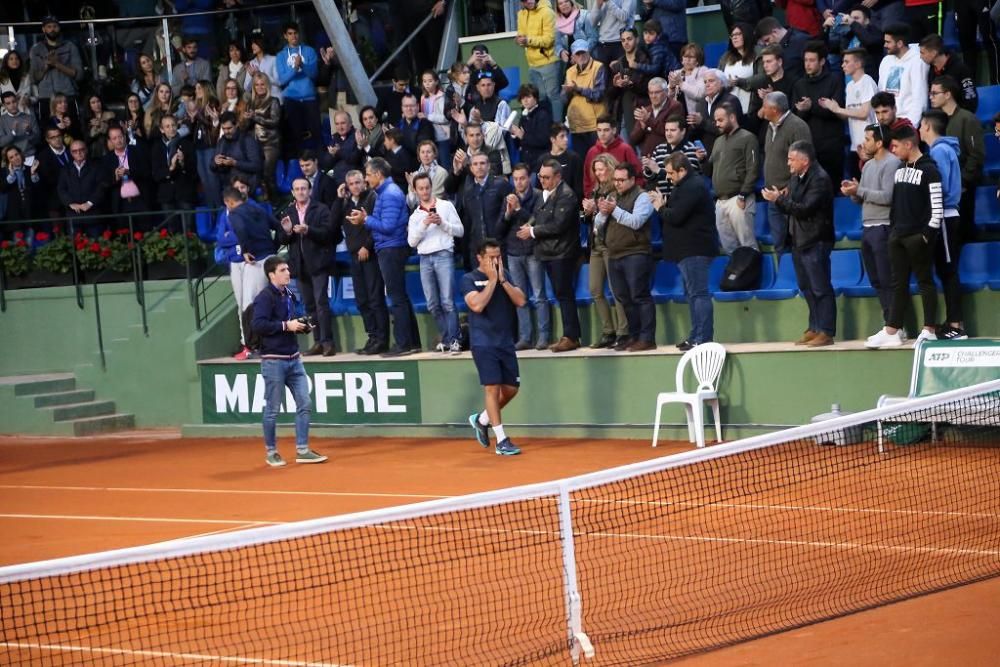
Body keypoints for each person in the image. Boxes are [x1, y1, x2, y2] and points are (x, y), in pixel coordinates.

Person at [864, 124, 942, 349]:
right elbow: (896, 204)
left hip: (919, 237)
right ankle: (892, 329)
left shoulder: (930, 170)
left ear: (909, 144)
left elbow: (936, 206)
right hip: (897, 235)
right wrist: (894, 232)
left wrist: (927, 235)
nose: (894, 150)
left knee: (925, 281)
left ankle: (929, 329)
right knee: (898, 284)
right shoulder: (899, 169)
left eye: (896, 146)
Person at [251, 255, 328, 468]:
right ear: (271, 274)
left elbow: (294, 320)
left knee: (305, 403)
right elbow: (259, 325)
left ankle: (302, 450)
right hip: (274, 360)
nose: (288, 273)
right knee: (272, 409)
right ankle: (271, 452)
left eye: (287, 269)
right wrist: (287, 326)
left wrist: (303, 326)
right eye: (283, 270)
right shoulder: (264, 298)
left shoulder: (289, 294)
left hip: (294, 359)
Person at [761, 140, 836, 347]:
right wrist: (781, 197)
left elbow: (805, 209)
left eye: (791, 159)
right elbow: (792, 203)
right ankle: (814, 327)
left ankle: (827, 331)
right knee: (807, 287)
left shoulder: (819, 179)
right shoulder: (796, 178)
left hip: (816, 240)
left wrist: (779, 200)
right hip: (799, 240)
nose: (788, 164)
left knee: (820, 287)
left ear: (805, 160)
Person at [462, 238, 528, 456]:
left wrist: (502, 281)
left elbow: (521, 301)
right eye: (491, 257)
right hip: (483, 343)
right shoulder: (468, 279)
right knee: (492, 389)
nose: (496, 260)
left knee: (511, 389)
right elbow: (477, 305)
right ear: (480, 258)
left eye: (498, 256)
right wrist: (491, 282)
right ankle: (501, 440)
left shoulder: (505, 275)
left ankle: (482, 420)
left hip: (505, 342)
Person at [348, 157, 417, 356]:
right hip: (388, 248)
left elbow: (387, 227)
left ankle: (403, 345)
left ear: (378, 174)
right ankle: (412, 342)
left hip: (392, 248)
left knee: (397, 298)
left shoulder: (390, 194)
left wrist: (365, 219)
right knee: (400, 297)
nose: (366, 179)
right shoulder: (384, 192)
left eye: (368, 175)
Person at [651, 152, 718, 351]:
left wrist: (660, 207)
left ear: (683, 170)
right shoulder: (684, 185)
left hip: (695, 248)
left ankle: (703, 337)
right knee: (692, 294)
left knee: (698, 294)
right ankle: (695, 335)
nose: (668, 177)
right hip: (687, 249)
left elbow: (676, 216)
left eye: (671, 173)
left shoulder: (694, 186)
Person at [516, 159, 581, 352]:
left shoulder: (567, 196)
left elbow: (558, 225)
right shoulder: (546, 193)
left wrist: (533, 232)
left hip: (562, 252)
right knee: (561, 294)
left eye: (547, 177)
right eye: (540, 177)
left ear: (558, 176)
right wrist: (530, 224)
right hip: (549, 252)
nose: (542, 180)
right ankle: (569, 334)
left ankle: (571, 336)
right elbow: (538, 214)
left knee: (565, 294)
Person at [840, 123, 900, 325]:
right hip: (867, 228)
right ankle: (889, 323)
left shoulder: (892, 163)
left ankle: (895, 326)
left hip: (884, 227)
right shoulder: (868, 165)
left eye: (867, 139)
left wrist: (860, 190)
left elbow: (888, 196)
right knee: (876, 280)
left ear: (880, 142)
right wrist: (852, 191)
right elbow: (862, 198)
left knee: (887, 280)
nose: (863, 143)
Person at [594, 163, 657, 352]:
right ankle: (634, 335)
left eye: (621, 180)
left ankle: (647, 338)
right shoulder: (613, 197)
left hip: (636, 253)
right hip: (614, 254)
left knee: (640, 296)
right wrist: (602, 212)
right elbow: (599, 222)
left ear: (632, 179)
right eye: (615, 180)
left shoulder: (643, 197)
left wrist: (614, 210)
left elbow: (636, 222)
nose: (617, 183)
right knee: (623, 298)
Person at [277, 177, 339, 356]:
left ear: (310, 191)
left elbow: (329, 234)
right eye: (297, 189)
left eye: (304, 188)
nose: (300, 192)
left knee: (321, 303)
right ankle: (317, 342)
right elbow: (282, 239)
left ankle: (328, 342)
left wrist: (308, 230)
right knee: (309, 306)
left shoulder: (320, 209)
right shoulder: (288, 211)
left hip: (318, 264)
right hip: (299, 265)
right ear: (292, 192)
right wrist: (288, 232)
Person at [918, 109, 965, 341]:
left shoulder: (939, 151)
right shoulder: (942, 150)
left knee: (948, 271)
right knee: (947, 270)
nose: (918, 130)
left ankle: (956, 324)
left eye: (920, 125)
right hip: (947, 215)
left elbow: (941, 187)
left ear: (927, 126)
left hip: (945, 215)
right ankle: (953, 321)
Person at [332, 170, 389, 354]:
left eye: (358, 182)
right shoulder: (346, 203)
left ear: (364, 182)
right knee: (362, 300)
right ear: (347, 186)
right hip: (354, 257)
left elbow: (377, 225)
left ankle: (381, 339)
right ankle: (372, 337)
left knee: (375, 298)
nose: (355, 186)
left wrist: (367, 246)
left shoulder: (372, 198)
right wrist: (339, 200)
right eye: (351, 184)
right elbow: (333, 224)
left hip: (370, 255)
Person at [408, 172, 464, 353]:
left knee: (447, 301)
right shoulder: (415, 216)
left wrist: (442, 223)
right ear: (415, 191)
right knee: (432, 303)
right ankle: (447, 337)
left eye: (427, 187)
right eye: (421, 189)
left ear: (431, 187)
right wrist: (425, 223)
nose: (425, 191)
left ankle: (455, 339)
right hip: (425, 259)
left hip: (443, 255)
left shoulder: (445, 206)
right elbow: (411, 242)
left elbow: (460, 230)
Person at [499, 162, 551, 351]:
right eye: (516, 179)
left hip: (533, 252)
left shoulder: (538, 196)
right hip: (513, 253)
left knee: (539, 295)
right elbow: (500, 229)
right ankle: (525, 337)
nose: (519, 182)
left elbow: (536, 220)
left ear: (529, 178)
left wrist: (519, 209)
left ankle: (544, 336)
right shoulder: (508, 198)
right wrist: (507, 214)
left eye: (522, 178)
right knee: (519, 297)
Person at [224, 185, 279, 359]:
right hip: (270, 256)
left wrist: (246, 250)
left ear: (229, 202)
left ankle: (253, 346)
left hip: (256, 260)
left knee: (250, 305)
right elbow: (276, 225)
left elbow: (240, 230)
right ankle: (264, 345)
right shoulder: (256, 208)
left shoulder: (234, 213)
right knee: (266, 301)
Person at [581, 153, 629, 349]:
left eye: (602, 169)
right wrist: (587, 212)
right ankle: (608, 330)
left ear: (610, 168)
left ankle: (623, 331)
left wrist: (601, 209)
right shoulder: (596, 190)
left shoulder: (615, 190)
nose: (599, 173)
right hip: (596, 245)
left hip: (611, 244)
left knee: (617, 289)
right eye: (596, 170)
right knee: (595, 289)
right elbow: (588, 220)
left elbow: (617, 217)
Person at [929, 76, 984, 245]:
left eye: (934, 93)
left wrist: (963, 183)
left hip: (963, 189)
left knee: (963, 232)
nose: (930, 97)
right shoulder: (935, 122)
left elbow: (977, 154)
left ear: (948, 94)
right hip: (941, 191)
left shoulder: (967, 119)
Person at [761, 91, 812, 252]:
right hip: (773, 195)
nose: (762, 110)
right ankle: (785, 276)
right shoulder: (770, 127)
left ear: (774, 109)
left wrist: (790, 186)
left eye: (765, 106)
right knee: (779, 244)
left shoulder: (797, 126)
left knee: (797, 241)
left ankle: (798, 276)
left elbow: (805, 161)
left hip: (791, 194)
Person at [791, 41, 846, 183]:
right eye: (805, 60)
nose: (807, 64)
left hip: (831, 146)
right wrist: (803, 110)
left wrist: (811, 107)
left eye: (812, 60)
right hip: (808, 147)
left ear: (822, 61)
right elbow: (796, 116)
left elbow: (836, 111)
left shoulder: (835, 80)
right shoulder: (799, 84)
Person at [818, 48, 877, 178]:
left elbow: (864, 113)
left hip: (869, 145)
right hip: (855, 145)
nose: (842, 65)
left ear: (858, 64)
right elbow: (848, 114)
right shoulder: (850, 86)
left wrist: (837, 109)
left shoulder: (867, 81)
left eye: (846, 62)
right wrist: (831, 107)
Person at [709, 103, 759, 254]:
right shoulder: (718, 141)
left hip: (739, 199)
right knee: (729, 248)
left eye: (720, 120)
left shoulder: (748, 137)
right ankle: (737, 277)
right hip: (720, 201)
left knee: (747, 245)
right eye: (715, 121)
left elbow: (753, 169)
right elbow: (710, 167)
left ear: (732, 117)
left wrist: (743, 195)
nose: (717, 124)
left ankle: (754, 276)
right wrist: (702, 159)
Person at [276, 22, 322, 155]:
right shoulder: (281, 56)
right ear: (285, 36)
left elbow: (313, 75)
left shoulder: (309, 51)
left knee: (316, 132)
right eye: (290, 34)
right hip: (291, 98)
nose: (293, 36)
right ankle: (300, 166)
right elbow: (282, 80)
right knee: (295, 135)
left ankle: (321, 162)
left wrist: (303, 65)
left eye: (295, 33)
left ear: (299, 34)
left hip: (309, 97)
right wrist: (295, 68)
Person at [29, 16, 83, 124]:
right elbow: (34, 79)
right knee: (48, 132)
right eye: (49, 27)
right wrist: (46, 66)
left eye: (55, 26)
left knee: (72, 130)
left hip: (67, 96)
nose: (52, 29)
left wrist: (57, 64)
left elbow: (79, 75)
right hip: (46, 98)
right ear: (43, 29)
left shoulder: (70, 46)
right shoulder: (36, 50)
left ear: (59, 28)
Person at [517, 0, 563, 123]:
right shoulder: (521, 14)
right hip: (532, 63)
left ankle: (557, 126)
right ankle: (544, 125)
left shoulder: (547, 12)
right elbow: (522, 35)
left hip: (549, 61)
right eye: (525, 0)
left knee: (553, 96)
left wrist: (528, 41)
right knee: (539, 98)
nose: (529, 1)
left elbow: (549, 40)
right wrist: (520, 40)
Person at [562, 40, 608, 158]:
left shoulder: (598, 67)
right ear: (573, 57)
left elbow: (599, 95)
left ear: (589, 52)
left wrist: (578, 89)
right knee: (582, 164)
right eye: (578, 54)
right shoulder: (569, 72)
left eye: (583, 53)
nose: (581, 56)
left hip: (595, 125)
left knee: (599, 161)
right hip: (576, 125)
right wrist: (567, 92)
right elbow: (563, 99)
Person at [878, 23, 929, 127]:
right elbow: (881, 94)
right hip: (886, 123)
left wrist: (910, 126)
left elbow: (920, 98)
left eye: (888, 42)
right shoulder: (886, 61)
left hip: (907, 125)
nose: (885, 45)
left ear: (900, 43)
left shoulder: (918, 61)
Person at [642, 115, 702, 199]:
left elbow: (685, 179)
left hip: (684, 200)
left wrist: (658, 170)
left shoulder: (691, 149)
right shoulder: (659, 149)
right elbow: (651, 178)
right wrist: (648, 169)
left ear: (683, 131)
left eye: (673, 130)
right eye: (666, 130)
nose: (668, 134)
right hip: (661, 201)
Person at [607, 28, 653, 137]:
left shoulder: (645, 60)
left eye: (629, 39)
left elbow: (648, 88)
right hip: (622, 113)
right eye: (623, 40)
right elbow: (609, 94)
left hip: (641, 111)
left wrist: (631, 84)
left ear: (637, 40)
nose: (626, 43)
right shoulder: (618, 63)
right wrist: (615, 85)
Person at [583, 114, 644, 196]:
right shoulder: (592, 152)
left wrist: (629, 198)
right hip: (597, 201)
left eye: (606, 130)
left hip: (623, 199)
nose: (602, 134)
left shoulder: (626, 149)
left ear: (614, 130)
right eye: (599, 130)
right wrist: (590, 197)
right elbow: (587, 180)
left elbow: (638, 176)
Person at [918, 34, 978, 114]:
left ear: (934, 53)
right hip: (939, 118)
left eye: (923, 53)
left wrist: (957, 118)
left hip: (959, 117)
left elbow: (970, 99)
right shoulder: (931, 70)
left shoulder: (961, 70)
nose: (920, 57)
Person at [103, 125, 152, 221]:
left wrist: (129, 172)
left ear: (125, 137)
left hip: (141, 200)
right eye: (114, 138)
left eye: (120, 136)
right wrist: (115, 177)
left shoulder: (138, 151)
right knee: (125, 234)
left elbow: (147, 172)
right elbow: (104, 182)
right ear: (110, 141)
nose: (118, 140)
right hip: (120, 204)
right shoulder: (107, 159)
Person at [151, 114, 197, 214]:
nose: (171, 129)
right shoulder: (156, 147)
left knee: (188, 228)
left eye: (173, 125)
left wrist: (183, 162)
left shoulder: (187, 144)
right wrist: (170, 168)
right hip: (166, 195)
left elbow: (194, 172)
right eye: (167, 126)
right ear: (162, 129)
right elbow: (155, 174)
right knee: (171, 229)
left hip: (185, 194)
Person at [629, 77, 683, 157]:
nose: (653, 96)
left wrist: (648, 121)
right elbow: (633, 139)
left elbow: (671, 132)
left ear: (666, 92)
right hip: (647, 158)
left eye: (657, 92)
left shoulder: (674, 107)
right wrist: (642, 128)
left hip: (667, 157)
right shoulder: (646, 110)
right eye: (651, 93)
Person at [212, 111, 262, 196]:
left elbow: (257, 165)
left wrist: (235, 163)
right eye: (223, 129)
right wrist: (215, 162)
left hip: (246, 188)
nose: (226, 131)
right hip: (228, 188)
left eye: (229, 128)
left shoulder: (247, 140)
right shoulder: (222, 141)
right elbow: (212, 166)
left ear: (236, 125)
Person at [58, 140, 106, 226]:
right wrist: (70, 203)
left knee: (96, 239)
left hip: (93, 214)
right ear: (71, 153)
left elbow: (101, 186)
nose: (78, 153)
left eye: (81, 149)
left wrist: (90, 203)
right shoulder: (65, 169)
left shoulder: (97, 166)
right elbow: (61, 189)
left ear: (86, 150)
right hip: (73, 215)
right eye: (75, 151)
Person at [509, 84, 553, 171]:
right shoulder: (523, 116)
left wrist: (522, 136)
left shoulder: (543, 115)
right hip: (526, 162)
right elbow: (519, 144)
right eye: (522, 98)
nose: (525, 100)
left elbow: (543, 140)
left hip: (540, 163)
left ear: (535, 98)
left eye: (528, 97)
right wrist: (514, 135)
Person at [539, 123, 584, 201]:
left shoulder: (574, 158)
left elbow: (578, 188)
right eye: (562, 136)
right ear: (552, 139)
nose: (566, 139)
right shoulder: (543, 160)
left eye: (566, 136)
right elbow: (539, 186)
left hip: (569, 203)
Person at [719, 23, 756, 114]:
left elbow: (761, 78)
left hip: (749, 109)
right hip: (730, 110)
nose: (734, 37)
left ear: (746, 35)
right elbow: (718, 78)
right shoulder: (726, 57)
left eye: (738, 34)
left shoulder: (756, 55)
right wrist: (726, 84)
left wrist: (740, 82)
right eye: (732, 35)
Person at [589, 0, 636, 67]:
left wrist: (608, 2)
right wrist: (597, 6)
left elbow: (624, 16)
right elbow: (592, 22)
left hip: (621, 43)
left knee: (622, 75)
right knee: (602, 76)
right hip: (603, 44)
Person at [405, 140, 448, 209]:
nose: (425, 155)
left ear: (434, 154)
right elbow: (411, 204)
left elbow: (436, 199)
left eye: (428, 152)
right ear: (419, 155)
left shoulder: (442, 173)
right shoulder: (414, 175)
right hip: (419, 214)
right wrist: (412, 187)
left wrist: (417, 192)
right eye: (422, 152)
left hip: (438, 212)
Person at [2, 145, 40, 223]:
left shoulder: (31, 169)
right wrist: (11, 175)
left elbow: (38, 188)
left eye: (16, 154)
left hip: (31, 211)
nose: (15, 158)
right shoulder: (3, 172)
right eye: (11, 157)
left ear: (21, 154)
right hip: (13, 214)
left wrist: (33, 173)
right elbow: (3, 189)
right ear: (8, 161)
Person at [0, 91, 40, 160]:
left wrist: (29, 132)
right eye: (8, 103)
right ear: (4, 106)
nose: (12, 105)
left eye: (14, 101)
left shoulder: (30, 118)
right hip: (12, 159)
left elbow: (38, 141)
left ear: (17, 101)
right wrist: (13, 133)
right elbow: (1, 143)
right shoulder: (1, 120)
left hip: (30, 156)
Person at [246, 34, 282, 103]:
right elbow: (247, 88)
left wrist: (261, 74)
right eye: (252, 43)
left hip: (275, 99)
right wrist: (252, 76)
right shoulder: (251, 63)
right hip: (260, 102)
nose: (252, 46)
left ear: (261, 44)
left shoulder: (273, 59)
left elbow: (279, 82)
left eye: (255, 43)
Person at [83, 95, 115, 160]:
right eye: (93, 103)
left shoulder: (110, 115)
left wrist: (101, 125)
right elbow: (86, 139)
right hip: (93, 150)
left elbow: (114, 132)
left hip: (109, 146)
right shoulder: (86, 119)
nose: (96, 104)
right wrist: (94, 129)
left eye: (98, 101)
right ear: (89, 105)